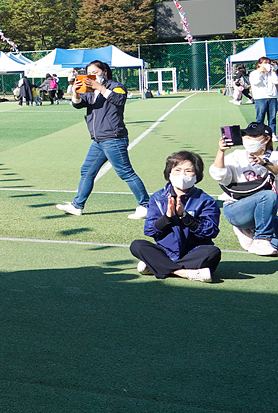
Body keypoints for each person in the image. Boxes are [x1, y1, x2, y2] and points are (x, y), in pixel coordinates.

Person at [56, 60, 150, 220]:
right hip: (99, 139)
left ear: (104, 72)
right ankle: (77, 205)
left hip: (113, 137)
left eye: (96, 72)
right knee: (87, 170)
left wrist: (99, 87)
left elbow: (119, 100)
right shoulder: (89, 90)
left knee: (125, 172)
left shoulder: (116, 86)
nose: (92, 75)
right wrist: (76, 92)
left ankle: (146, 205)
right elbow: (77, 105)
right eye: (89, 72)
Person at [130, 151, 220, 283]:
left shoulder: (206, 201)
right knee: (137, 245)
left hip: (193, 252)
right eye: (177, 170)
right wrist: (167, 217)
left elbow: (211, 231)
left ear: (197, 175)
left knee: (213, 253)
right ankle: (183, 272)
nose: (182, 175)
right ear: (169, 173)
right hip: (165, 251)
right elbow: (149, 230)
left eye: (188, 171)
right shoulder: (158, 198)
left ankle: (156, 265)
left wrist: (185, 216)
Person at [210, 121, 278, 256]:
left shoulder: (274, 157)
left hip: (265, 214)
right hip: (236, 209)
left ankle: (251, 236)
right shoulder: (237, 156)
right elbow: (219, 175)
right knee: (268, 196)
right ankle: (261, 238)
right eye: (245, 136)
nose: (247, 140)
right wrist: (221, 151)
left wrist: (265, 163)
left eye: (252, 136)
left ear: (266, 139)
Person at [250, 57, 277, 135]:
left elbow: (276, 81)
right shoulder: (254, 73)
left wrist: (273, 72)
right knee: (260, 117)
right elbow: (256, 82)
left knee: (272, 118)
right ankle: (259, 133)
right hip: (260, 97)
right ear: (259, 64)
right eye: (264, 62)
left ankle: (272, 133)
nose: (267, 64)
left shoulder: (271, 73)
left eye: (268, 62)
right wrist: (260, 72)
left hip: (272, 96)